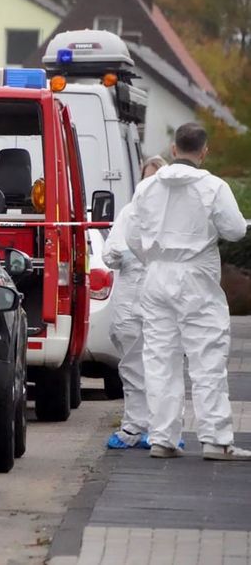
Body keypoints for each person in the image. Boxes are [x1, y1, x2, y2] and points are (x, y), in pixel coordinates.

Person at [126, 123, 250, 460]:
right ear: (204, 151)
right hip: (196, 277)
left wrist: (153, 259)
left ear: (173, 149)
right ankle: (215, 440)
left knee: (160, 359)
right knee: (207, 357)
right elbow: (236, 231)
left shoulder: (147, 188)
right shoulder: (213, 187)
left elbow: (133, 236)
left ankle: (163, 438)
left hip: (156, 276)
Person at [103, 155, 166, 449]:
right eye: (147, 178)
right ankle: (133, 427)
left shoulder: (172, 215)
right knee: (131, 368)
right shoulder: (130, 213)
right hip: (130, 303)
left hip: (161, 302)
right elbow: (109, 251)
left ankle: (160, 429)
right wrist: (126, 254)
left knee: (161, 368)